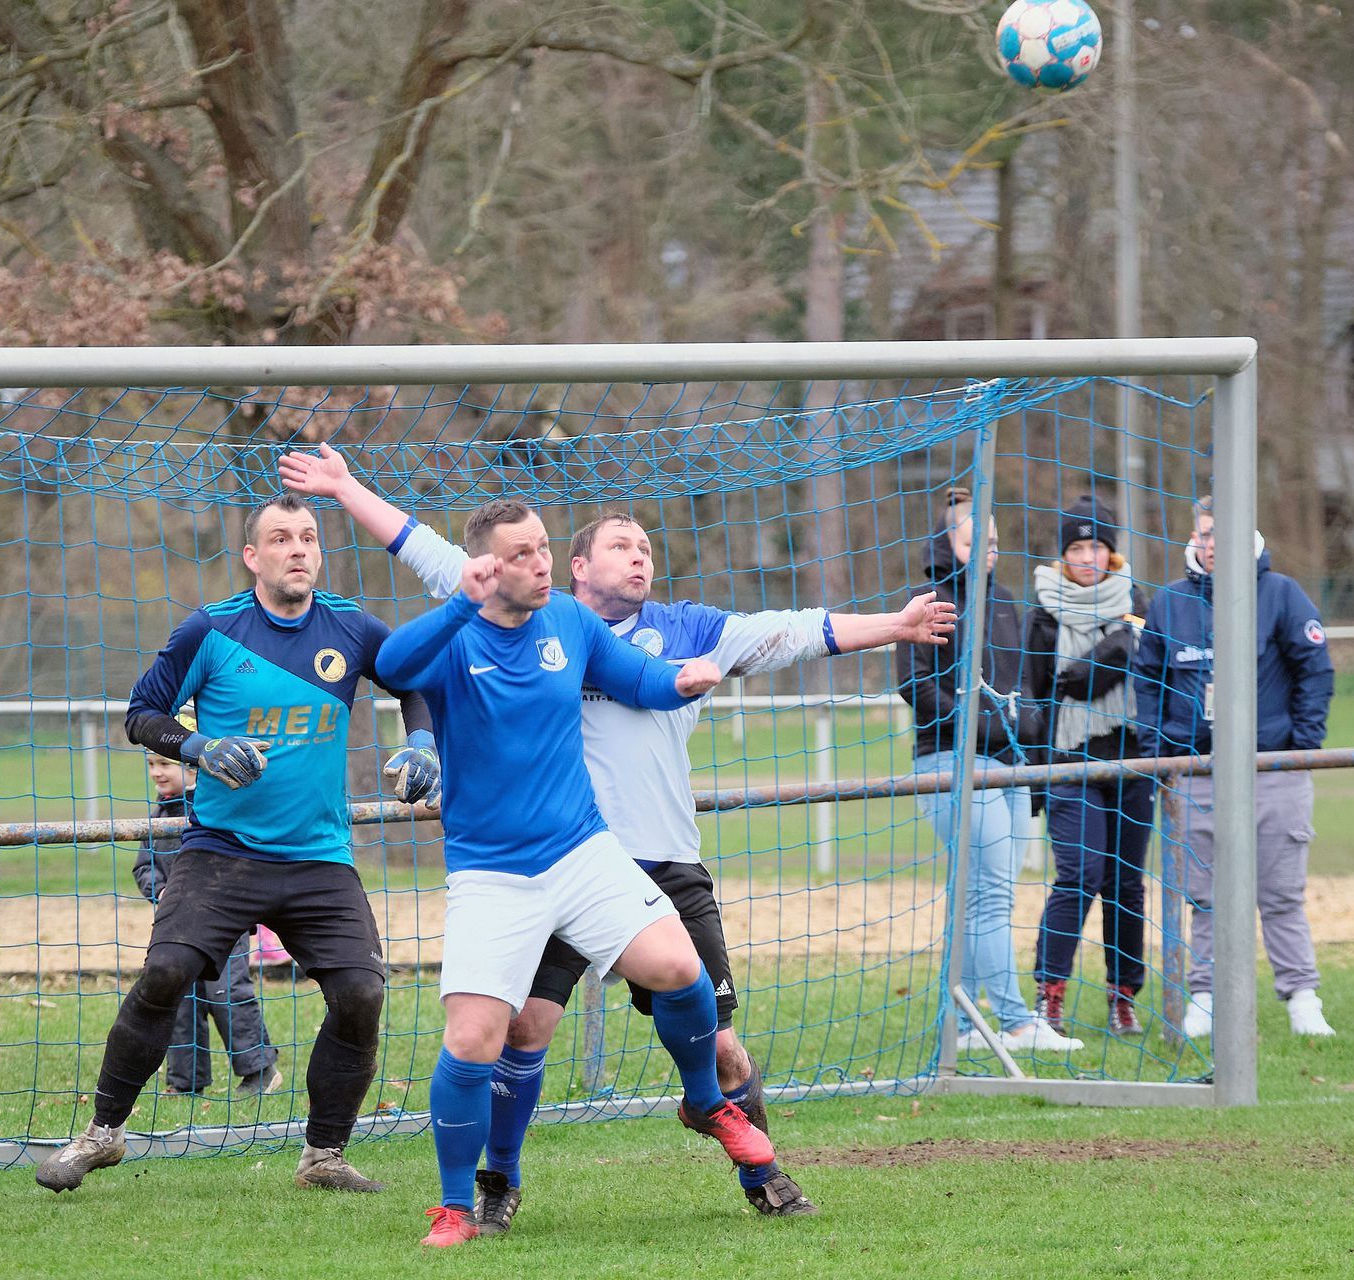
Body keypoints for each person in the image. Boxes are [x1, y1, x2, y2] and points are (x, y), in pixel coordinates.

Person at [281, 442, 958, 1225]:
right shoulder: (512, 606)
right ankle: (493, 1187)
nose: (640, 556)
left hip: (662, 859)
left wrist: (894, 625)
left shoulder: (686, 628)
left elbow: (794, 630)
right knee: (522, 1028)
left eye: (646, 547)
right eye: (621, 545)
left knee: (720, 1040)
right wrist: (346, 488)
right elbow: (423, 551)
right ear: (577, 566)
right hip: (557, 856)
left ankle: (761, 1176)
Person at [372, 498, 773, 1249]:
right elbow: (394, 666)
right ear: (486, 567)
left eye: (545, 548)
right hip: (492, 873)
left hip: (582, 851)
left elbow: (638, 680)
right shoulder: (457, 636)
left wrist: (682, 681)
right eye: (522, 554)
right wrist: (459, 603)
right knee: (474, 1040)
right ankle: (455, 1208)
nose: (541, 563)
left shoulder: (569, 620)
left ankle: (705, 1102)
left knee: (678, 968)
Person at [35, 494, 438, 1194]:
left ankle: (324, 1156)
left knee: (360, 994)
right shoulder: (211, 629)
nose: (298, 549)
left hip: (318, 857)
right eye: (280, 538)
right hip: (222, 852)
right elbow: (141, 713)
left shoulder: (352, 627)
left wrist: (424, 743)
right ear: (252, 556)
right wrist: (200, 747)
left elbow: (415, 684)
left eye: (308, 537)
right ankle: (102, 1134)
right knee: (167, 971)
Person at [1133, 497, 1337, 1038]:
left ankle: (1302, 999)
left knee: (1281, 894)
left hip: (1271, 771)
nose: (1215, 543)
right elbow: (1147, 679)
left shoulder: (1282, 594)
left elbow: (1315, 671)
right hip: (1197, 774)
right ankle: (1205, 996)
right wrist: (1161, 747)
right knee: (1206, 897)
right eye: (1206, 533)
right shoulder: (1169, 603)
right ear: (1193, 539)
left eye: (1225, 532)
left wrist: (1299, 746)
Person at [897, 488, 1083, 1054]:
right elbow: (912, 684)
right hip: (950, 763)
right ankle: (1017, 1022)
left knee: (985, 895)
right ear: (946, 543)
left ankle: (964, 1024)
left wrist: (1024, 724)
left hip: (1009, 766)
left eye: (995, 542)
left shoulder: (1005, 602)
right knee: (989, 895)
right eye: (975, 541)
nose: (989, 551)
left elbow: (1023, 681)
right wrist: (973, 721)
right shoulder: (926, 601)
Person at [1025, 497, 1155, 1037]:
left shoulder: (1136, 604)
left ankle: (1123, 996)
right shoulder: (1041, 613)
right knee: (1079, 875)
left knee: (1126, 884)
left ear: (1111, 553)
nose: (1086, 558)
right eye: (1076, 548)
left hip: (1131, 758)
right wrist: (1035, 777)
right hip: (1068, 760)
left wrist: (1094, 666)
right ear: (1063, 555)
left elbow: (1145, 665)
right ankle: (1049, 995)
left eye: (1096, 547)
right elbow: (1035, 697)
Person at [131, 720, 282, 1098]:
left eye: (164, 764)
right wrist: (161, 891)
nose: (156, 772)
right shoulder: (158, 815)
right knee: (178, 995)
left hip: (224, 919)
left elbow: (242, 855)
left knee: (225, 990)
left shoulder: (217, 807)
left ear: (193, 768)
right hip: (177, 921)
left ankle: (259, 1070)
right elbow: (144, 866)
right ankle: (185, 1082)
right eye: (151, 764)